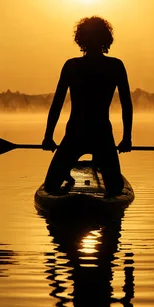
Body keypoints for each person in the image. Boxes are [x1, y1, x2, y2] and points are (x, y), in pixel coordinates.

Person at [42, 16, 133, 197]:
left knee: (51, 187)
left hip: (79, 135)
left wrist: (48, 137)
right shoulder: (114, 66)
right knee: (115, 190)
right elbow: (127, 105)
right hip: (99, 135)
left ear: (80, 39)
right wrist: (126, 139)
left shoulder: (72, 66)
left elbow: (57, 104)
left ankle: (66, 174)